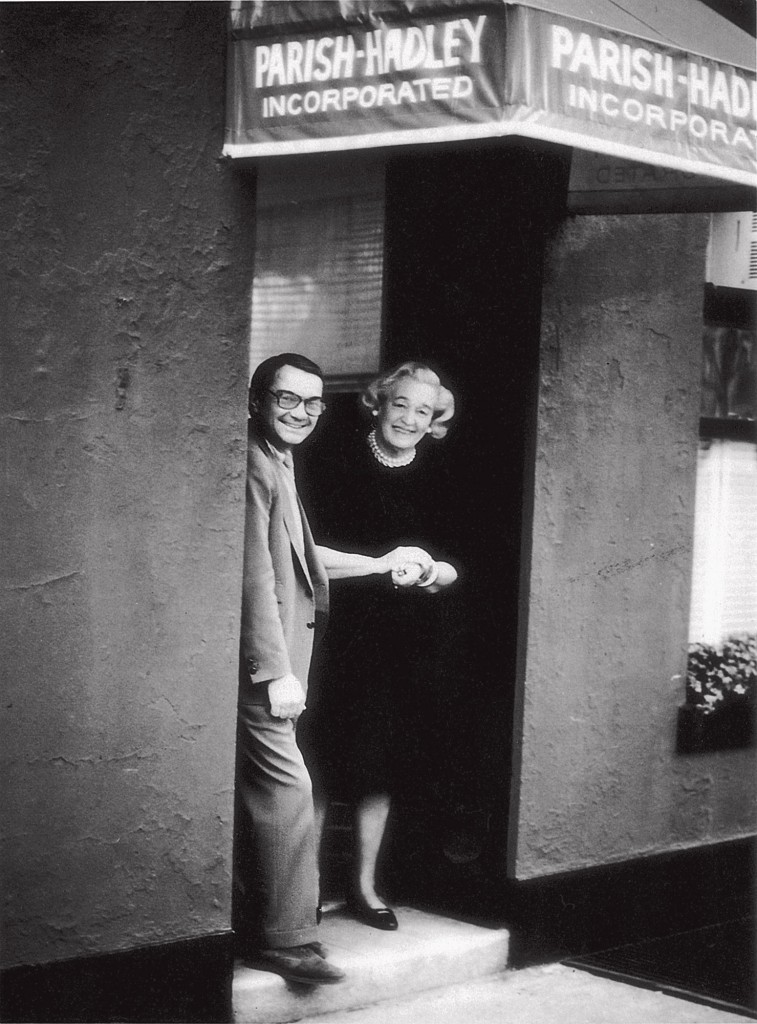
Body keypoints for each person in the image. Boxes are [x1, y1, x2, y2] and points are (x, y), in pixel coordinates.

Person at [234, 353, 432, 985]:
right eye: (287, 400)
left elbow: (303, 555)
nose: (301, 413)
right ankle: (287, 941)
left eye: (313, 404)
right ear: (257, 401)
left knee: (276, 792)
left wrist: (380, 563)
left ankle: (279, 928)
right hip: (266, 664)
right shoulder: (254, 465)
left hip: (284, 655)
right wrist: (276, 669)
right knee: (290, 789)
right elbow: (256, 575)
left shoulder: (279, 460)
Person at [301, 362, 459, 932]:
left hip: (407, 641)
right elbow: (305, 551)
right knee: (320, 758)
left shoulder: (442, 476)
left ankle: (364, 887)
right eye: (401, 405)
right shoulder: (333, 463)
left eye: (423, 411)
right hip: (337, 632)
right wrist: (380, 565)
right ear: (379, 403)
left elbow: (455, 570)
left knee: (381, 766)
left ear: (434, 419)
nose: (410, 419)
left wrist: (430, 570)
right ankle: (307, 887)